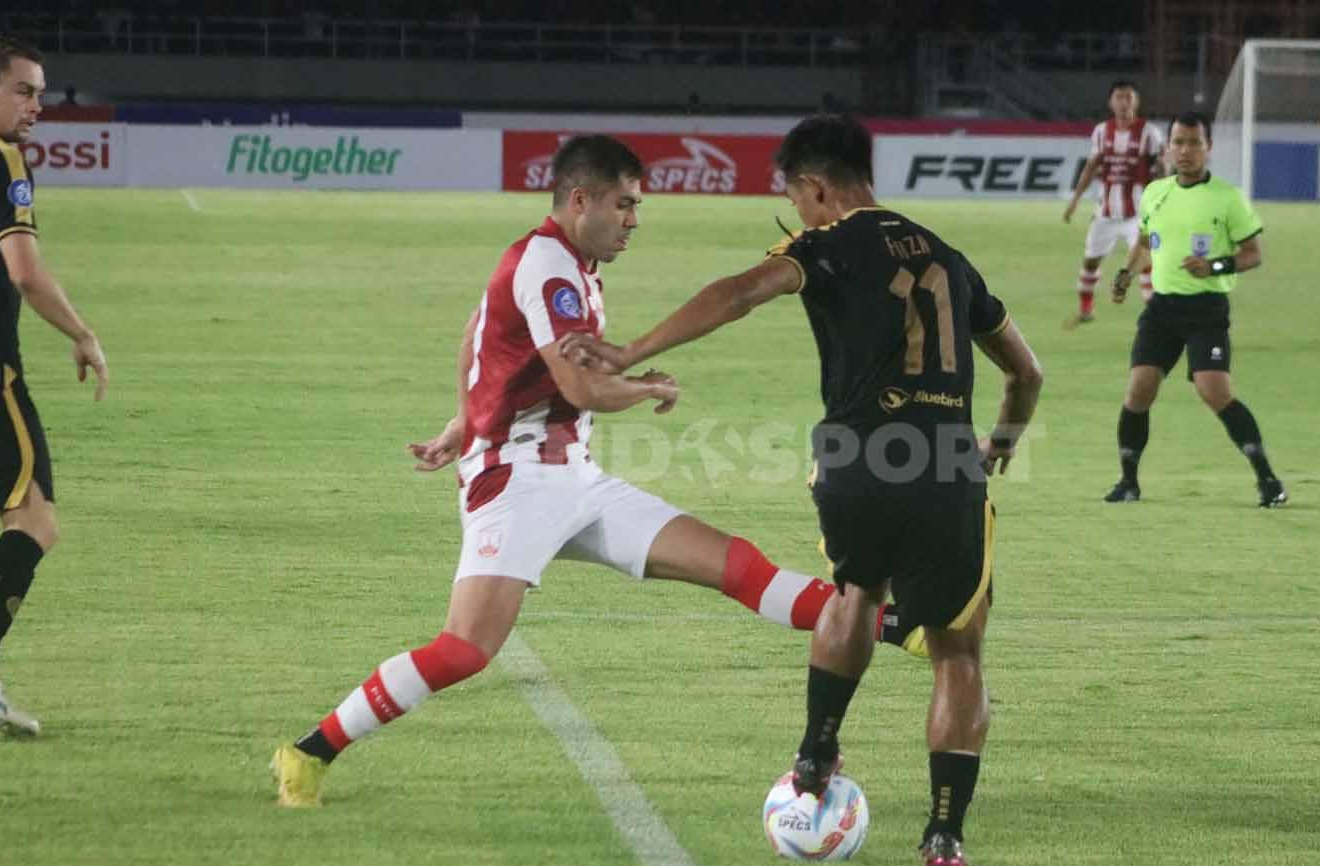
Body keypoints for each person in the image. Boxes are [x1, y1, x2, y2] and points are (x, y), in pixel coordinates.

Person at [268, 135, 920, 807]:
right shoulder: (549, 265)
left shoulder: (559, 264)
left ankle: (900, 627)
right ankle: (308, 752)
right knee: (464, 649)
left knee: (734, 564)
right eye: (625, 205)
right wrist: (648, 387)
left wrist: (462, 422)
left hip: (571, 476)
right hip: (516, 485)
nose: (634, 220)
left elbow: (481, 334)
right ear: (581, 201)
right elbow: (581, 390)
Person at [559, 115, 1045, 866]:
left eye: (798, 199)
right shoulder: (953, 261)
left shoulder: (823, 246)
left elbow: (737, 293)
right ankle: (945, 837)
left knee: (855, 590)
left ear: (816, 188)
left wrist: (631, 350)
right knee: (958, 651)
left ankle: (818, 747)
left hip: (855, 461)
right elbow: (1028, 372)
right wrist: (1003, 447)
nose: (801, 215)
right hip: (946, 463)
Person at [0, 36, 110, 738]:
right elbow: (24, 271)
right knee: (34, 521)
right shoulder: (0, 157)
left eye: (40, 92)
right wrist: (83, 334)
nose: (37, 106)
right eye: (25, 91)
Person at [1102, 112, 1286, 508]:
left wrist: (1214, 266)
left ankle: (1268, 479)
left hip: (1206, 309)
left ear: (1208, 148)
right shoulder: (1155, 192)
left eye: (1194, 143)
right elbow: (1147, 243)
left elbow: (1253, 254)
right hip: (1163, 308)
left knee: (1213, 391)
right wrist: (1126, 274)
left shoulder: (1227, 197)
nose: (1185, 151)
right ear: (1168, 148)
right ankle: (1128, 482)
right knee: (1138, 390)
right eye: (1179, 143)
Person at [1061, 80, 1166, 326]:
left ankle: (1157, 314)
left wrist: (1163, 192)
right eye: (1119, 97)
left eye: (1128, 97)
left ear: (1136, 101)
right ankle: (1086, 309)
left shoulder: (1149, 132)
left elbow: (1162, 169)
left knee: (1145, 260)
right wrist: (1075, 200)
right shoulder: (1101, 132)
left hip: (1138, 213)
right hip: (1105, 213)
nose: (1124, 102)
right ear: (1111, 102)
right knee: (1091, 261)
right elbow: (1091, 167)